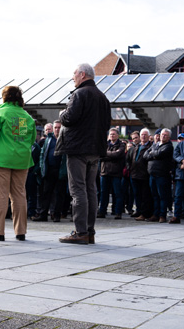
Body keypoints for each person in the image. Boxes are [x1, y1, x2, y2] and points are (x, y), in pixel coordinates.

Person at [56, 63, 111, 245]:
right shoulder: (102, 97)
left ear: (82, 74)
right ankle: (90, 231)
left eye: (74, 74)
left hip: (78, 149)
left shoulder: (79, 94)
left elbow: (69, 118)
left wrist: (62, 113)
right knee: (90, 190)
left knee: (78, 190)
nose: (72, 77)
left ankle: (80, 232)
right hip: (95, 150)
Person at [0, 86, 36, 241]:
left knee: (0, 194)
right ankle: (20, 232)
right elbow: (31, 139)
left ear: (4, 97)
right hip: (22, 159)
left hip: (0, 159)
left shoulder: (0, 113)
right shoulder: (26, 116)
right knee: (19, 194)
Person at [34, 120, 68, 222]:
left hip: (61, 170)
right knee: (46, 193)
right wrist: (42, 167)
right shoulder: (49, 139)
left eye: (59, 127)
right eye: (56, 127)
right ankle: (43, 214)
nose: (57, 129)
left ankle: (56, 215)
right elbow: (43, 153)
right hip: (50, 170)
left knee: (59, 194)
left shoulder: (65, 139)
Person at [144, 128, 174, 223]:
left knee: (162, 196)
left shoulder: (168, 146)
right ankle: (155, 214)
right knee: (155, 196)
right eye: (162, 134)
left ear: (169, 137)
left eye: (165, 135)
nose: (163, 136)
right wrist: (154, 154)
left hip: (162, 175)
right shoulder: (155, 144)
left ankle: (162, 215)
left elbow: (160, 154)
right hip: (152, 174)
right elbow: (145, 155)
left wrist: (152, 153)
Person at [98, 127, 126, 219]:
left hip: (116, 173)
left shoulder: (121, 145)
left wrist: (106, 154)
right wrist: (111, 155)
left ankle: (118, 212)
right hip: (104, 172)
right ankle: (102, 211)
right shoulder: (104, 144)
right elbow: (100, 156)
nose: (112, 136)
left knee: (117, 193)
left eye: (114, 134)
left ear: (117, 135)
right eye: (110, 134)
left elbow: (118, 155)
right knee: (103, 193)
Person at [129, 128, 153, 221]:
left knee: (145, 195)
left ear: (148, 136)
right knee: (137, 194)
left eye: (145, 135)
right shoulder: (136, 147)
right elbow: (129, 159)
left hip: (144, 175)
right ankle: (139, 211)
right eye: (142, 135)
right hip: (134, 174)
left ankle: (144, 213)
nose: (143, 136)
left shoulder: (150, 147)